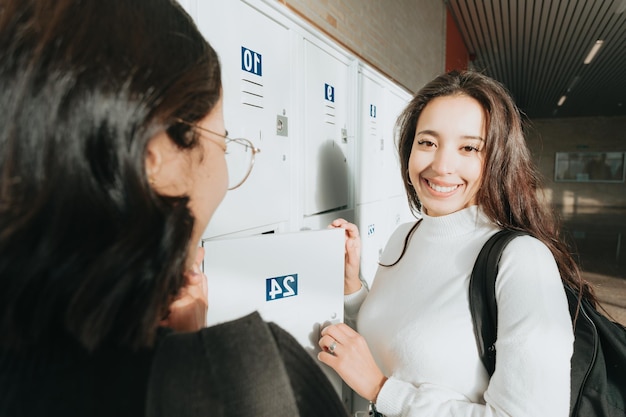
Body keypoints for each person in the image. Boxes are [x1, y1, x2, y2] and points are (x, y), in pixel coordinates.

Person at [0, 1, 348, 416]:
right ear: (154, 155)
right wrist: (203, 364)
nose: (225, 170)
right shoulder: (257, 375)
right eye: (223, 141)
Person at [318, 70, 596, 416]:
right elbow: (394, 340)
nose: (442, 165)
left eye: (469, 148)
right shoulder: (404, 236)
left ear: (497, 160)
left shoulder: (522, 260)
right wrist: (352, 287)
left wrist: (380, 389)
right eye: (427, 142)